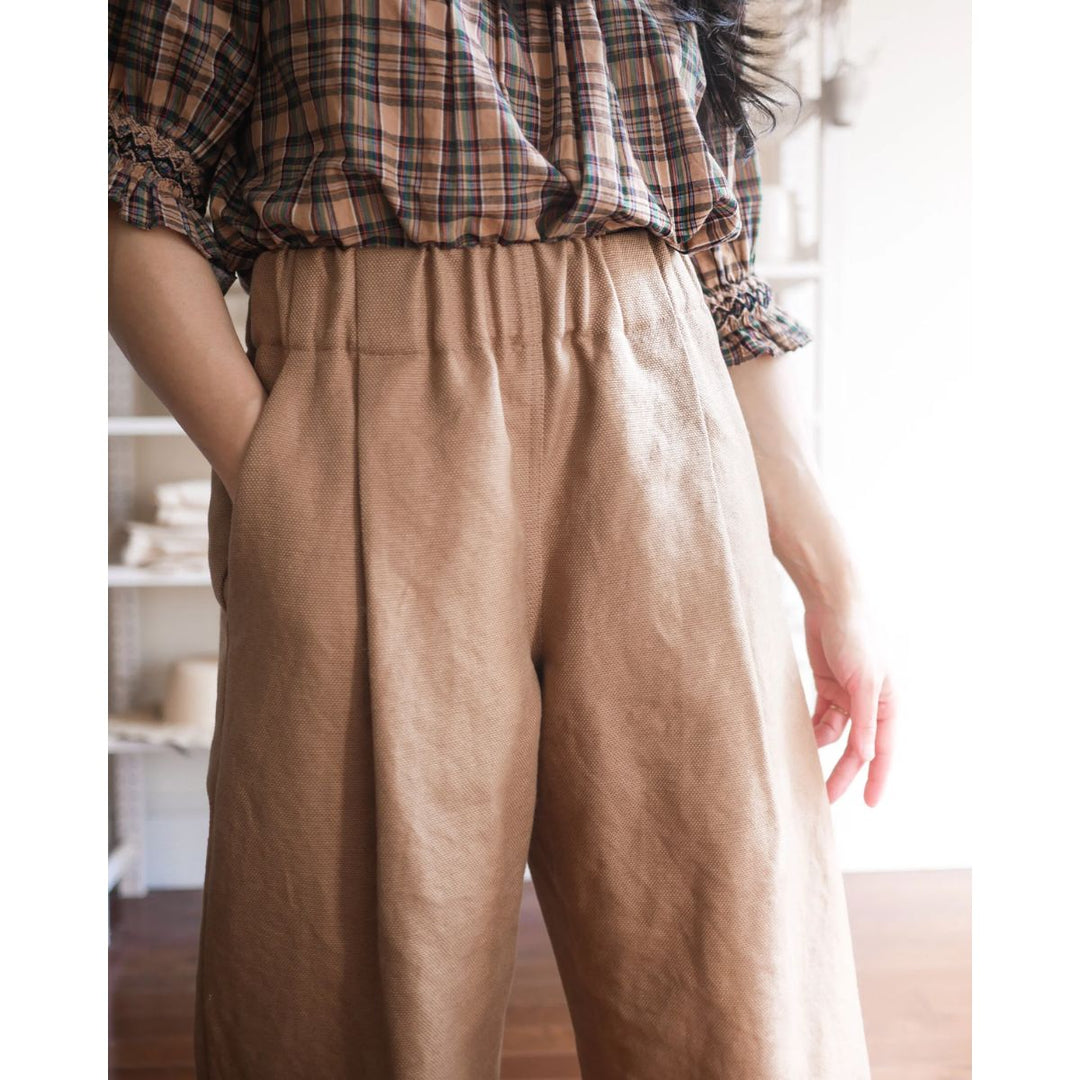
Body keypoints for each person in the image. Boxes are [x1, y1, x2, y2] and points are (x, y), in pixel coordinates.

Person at [108, 1, 897, 1077]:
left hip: (665, 427)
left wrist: (833, 577)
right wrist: (285, 480)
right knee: (347, 1007)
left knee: (746, 984)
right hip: (366, 422)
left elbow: (720, 269)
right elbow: (123, 183)